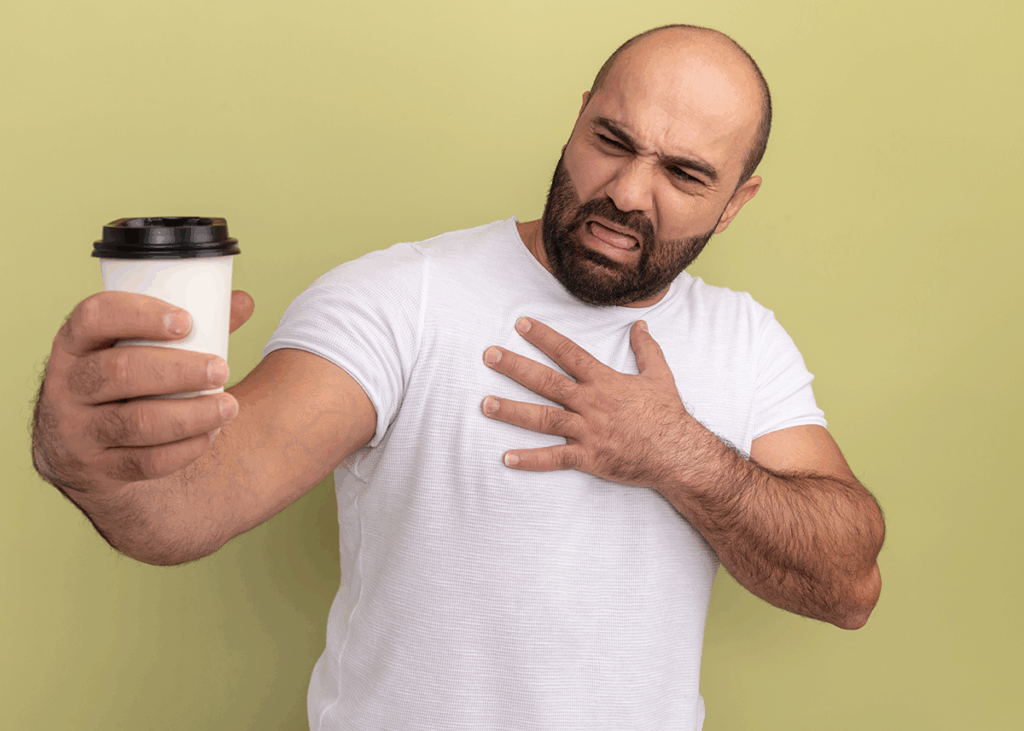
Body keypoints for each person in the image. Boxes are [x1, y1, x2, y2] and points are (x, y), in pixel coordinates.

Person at [31, 24, 885, 731]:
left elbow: (849, 584)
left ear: (736, 201)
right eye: (612, 142)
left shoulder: (744, 339)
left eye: (685, 174)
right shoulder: (401, 299)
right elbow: (183, 510)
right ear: (577, 119)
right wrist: (84, 458)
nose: (627, 193)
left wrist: (677, 453)